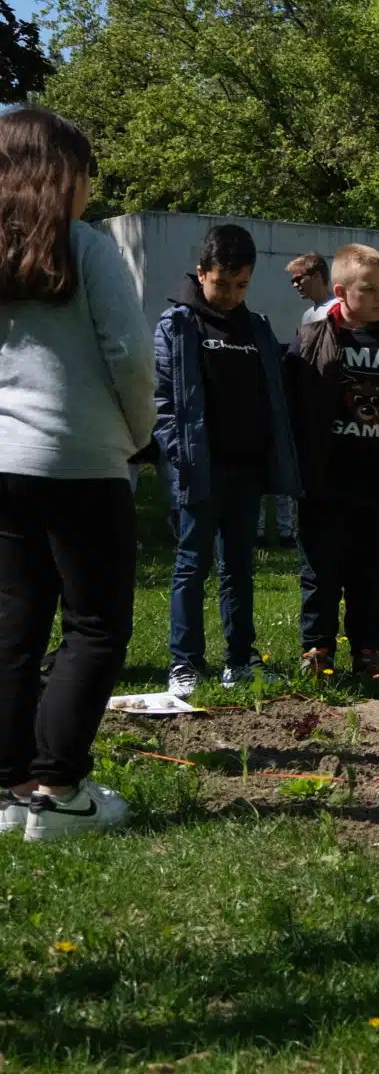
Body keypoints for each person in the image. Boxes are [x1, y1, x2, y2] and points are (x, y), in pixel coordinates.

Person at [0, 108, 155, 840]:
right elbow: (129, 353)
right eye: (87, 173)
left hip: (3, 465)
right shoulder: (86, 248)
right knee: (95, 626)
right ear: (65, 174)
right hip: (81, 463)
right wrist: (140, 434)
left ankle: (8, 793)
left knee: (14, 624)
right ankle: (58, 792)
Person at [155, 224, 301, 698]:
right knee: (191, 565)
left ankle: (239, 659)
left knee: (238, 566)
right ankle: (185, 663)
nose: (233, 295)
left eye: (242, 285)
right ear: (201, 274)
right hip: (198, 468)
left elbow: (272, 394)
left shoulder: (255, 328)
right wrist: (180, 453)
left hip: (246, 469)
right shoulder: (177, 326)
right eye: (223, 284)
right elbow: (162, 403)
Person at [285, 244, 379, 679]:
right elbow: (296, 404)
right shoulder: (311, 339)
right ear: (340, 291)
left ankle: (367, 650)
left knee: (368, 574)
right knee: (321, 570)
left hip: (377, 481)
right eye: (369, 289)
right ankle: (317, 650)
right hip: (326, 480)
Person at [257, 252, 334, 547]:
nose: (294, 285)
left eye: (298, 279)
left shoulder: (335, 310)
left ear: (316, 276)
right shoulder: (309, 315)